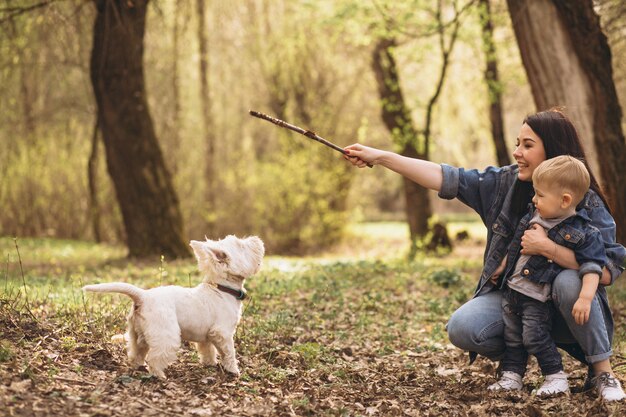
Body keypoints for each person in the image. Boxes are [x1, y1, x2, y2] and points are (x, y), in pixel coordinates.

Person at [343, 109, 626, 401]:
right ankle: (517, 366)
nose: (517, 152)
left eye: (528, 145)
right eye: (518, 143)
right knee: (464, 327)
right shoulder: (504, 183)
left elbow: (607, 271)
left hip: (569, 310)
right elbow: (444, 177)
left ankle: (602, 371)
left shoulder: (585, 202)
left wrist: (548, 248)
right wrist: (381, 157)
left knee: (569, 282)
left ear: (552, 150)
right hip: (519, 299)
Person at [488, 155, 621, 399]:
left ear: (565, 200)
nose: (533, 199)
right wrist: (501, 266)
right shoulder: (533, 217)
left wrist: (584, 297)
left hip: (537, 297)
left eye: (539, 195)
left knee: (534, 337)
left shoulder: (584, 233)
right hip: (514, 290)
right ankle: (512, 376)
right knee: (513, 337)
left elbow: (593, 266)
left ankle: (555, 376)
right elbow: (517, 244)